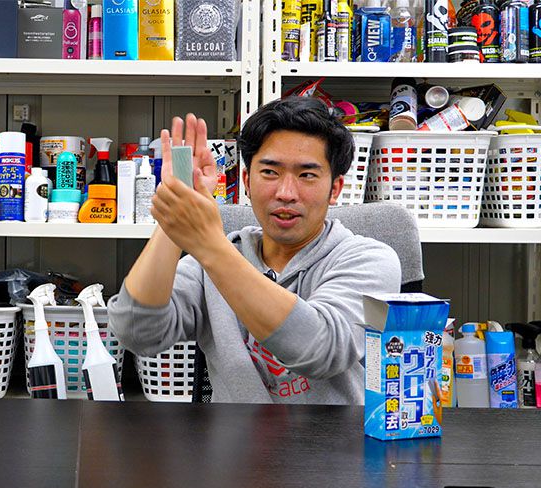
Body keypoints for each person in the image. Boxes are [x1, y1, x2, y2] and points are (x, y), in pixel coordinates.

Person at [107, 96, 401, 404]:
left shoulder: (370, 260)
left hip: (333, 436)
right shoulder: (213, 260)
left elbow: (320, 349)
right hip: (233, 435)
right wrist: (176, 213)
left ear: (335, 188)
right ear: (247, 181)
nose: (286, 193)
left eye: (307, 175)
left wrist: (210, 246)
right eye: (270, 172)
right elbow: (137, 333)